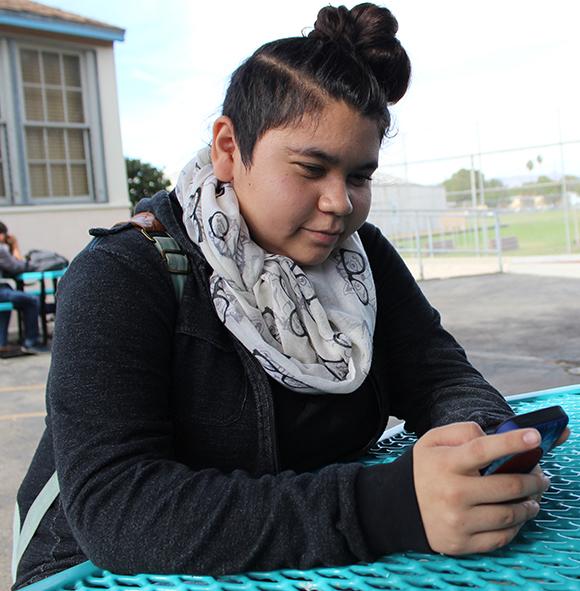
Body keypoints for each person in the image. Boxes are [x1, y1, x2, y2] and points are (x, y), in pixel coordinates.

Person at [13, 3, 570, 589]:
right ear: (229, 147)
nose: (339, 204)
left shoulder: (363, 257)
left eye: (360, 176)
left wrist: (477, 446)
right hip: (95, 573)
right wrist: (388, 505)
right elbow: (120, 511)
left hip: (306, 561)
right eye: (310, 168)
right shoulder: (122, 276)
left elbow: (441, 376)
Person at [0, 221, 46, 353]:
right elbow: (18, 267)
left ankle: (2, 342)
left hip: (4, 290)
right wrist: (14, 246)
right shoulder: (1, 250)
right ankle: (31, 341)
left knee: (9, 301)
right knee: (32, 300)